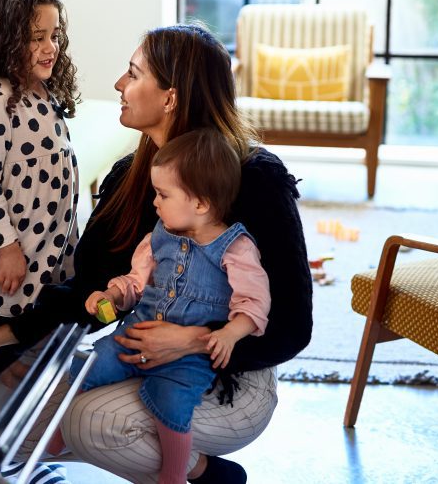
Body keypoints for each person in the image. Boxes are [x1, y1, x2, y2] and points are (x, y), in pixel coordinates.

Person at [0, 24, 312, 483]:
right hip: (142, 355)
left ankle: (200, 472)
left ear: (170, 98)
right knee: (10, 433)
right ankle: (202, 472)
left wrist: (191, 341)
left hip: (231, 374)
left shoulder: (255, 179)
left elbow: (291, 327)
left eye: (133, 73)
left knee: (90, 421)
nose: (118, 84)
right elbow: (88, 290)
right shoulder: (131, 177)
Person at [46, 128, 270, 484]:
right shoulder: (159, 236)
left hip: (189, 359)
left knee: (172, 403)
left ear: (200, 203)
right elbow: (136, 283)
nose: (155, 202)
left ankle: (175, 475)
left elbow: (255, 302)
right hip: (135, 336)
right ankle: (58, 435)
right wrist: (112, 295)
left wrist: (230, 333)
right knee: (89, 364)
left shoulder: (236, 248)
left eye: (163, 194)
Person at [0, 0, 81, 383]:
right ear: (7, 41)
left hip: (53, 251)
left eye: (54, 36)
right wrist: (7, 247)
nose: (50, 48)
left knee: (43, 346)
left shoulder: (45, 92)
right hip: (19, 259)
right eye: (36, 38)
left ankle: (38, 416)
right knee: (9, 361)